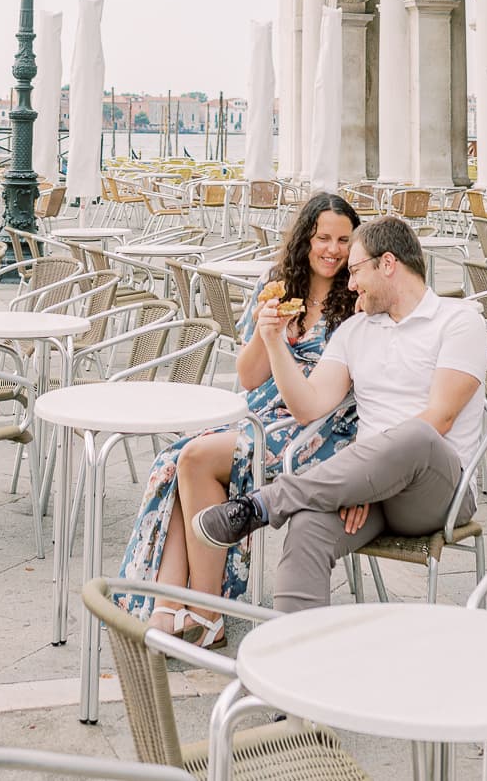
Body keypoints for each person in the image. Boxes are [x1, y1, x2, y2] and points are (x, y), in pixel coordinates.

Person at [193, 215, 487, 614]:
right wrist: (273, 341)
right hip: (368, 488)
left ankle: (263, 504)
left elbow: (440, 418)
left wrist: (366, 482)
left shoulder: (459, 320)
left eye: (354, 270)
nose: (349, 285)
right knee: (307, 528)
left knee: (418, 437)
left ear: (387, 264)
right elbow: (308, 406)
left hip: (436, 490)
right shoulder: (354, 331)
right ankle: (293, 660)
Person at [118, 193, 360, 643]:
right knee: (176, 462)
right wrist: (268, 333)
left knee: (193, 460)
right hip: (262, 418)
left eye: (344, 239)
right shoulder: (278, 286)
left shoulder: (356, 300)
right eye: (323, 237)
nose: (333, 249)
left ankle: (204, 610)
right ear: (305, 238)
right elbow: (250, 377)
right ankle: (171, 604)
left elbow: (337, 396)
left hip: (318, 433)